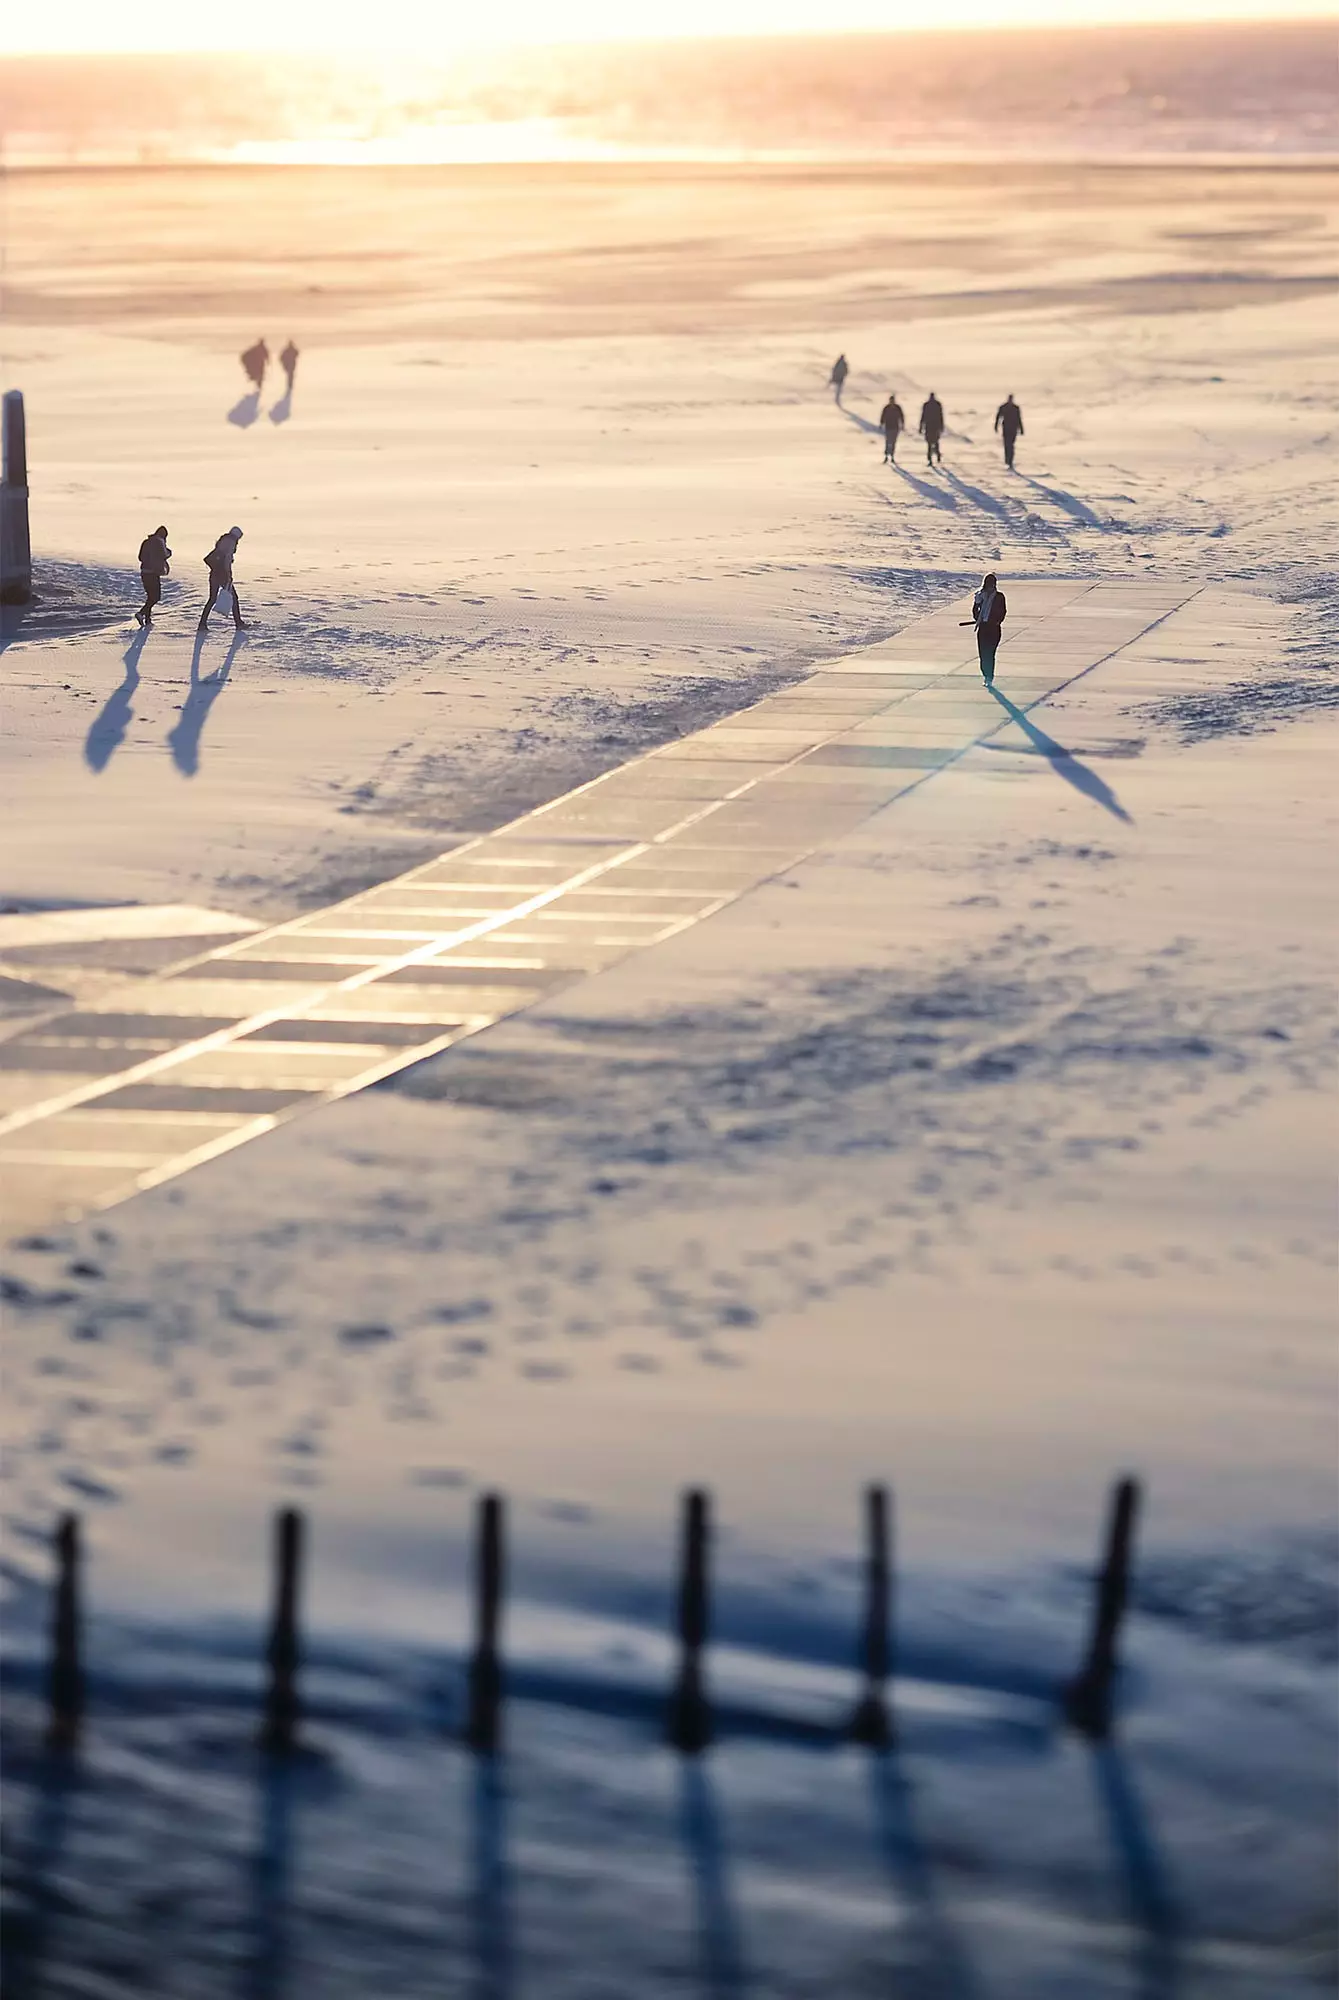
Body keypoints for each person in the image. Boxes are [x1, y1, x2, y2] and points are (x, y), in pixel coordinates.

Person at [198, 527, 246, 633]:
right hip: (223, 575)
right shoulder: (231, 542)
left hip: (214, 573)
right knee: (234, 598)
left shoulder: (222, 540)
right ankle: (239, 623)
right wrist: (229, 575)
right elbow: (227, 560)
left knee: (212, 599)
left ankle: (202, 623)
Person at [972, 571, 1007, 686]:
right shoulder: (981, 596)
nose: (990, 587)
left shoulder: (999, 597)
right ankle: (985, 674)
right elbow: (975, 613)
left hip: (994, 629)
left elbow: (1003, 611)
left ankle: (989, 677)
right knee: (983, 654)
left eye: (992, 584)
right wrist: (977, 603)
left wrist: (997, 621)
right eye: (988, 584)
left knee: (990, 654)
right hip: (983, 628)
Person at [135, 525, 171, 628]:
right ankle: (141, 613)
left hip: (144, 572)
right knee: (156, 597)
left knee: (150, 596)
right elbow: (164, 555)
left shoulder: (146, 542)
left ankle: (148, 620)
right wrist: (169, 553)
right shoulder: (159, 542)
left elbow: (140, 557)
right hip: (153, 573)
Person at [995, 393, 1024, 470]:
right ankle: (1008, 460)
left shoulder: (1015, 408)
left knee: (1011, 445)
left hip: (1013, 429)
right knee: (1007, 445)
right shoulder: (1003, 407)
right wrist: (996, 426)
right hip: (1006, 429)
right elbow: (998, 417)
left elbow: (1019, 419)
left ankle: (1010, 460)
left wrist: (1021, 429)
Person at [878, 391, 905, 464]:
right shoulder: (886, 408)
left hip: (895, 427)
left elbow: (901, 416)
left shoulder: (897, 408)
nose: (891, 402)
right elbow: (883, 416)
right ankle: (886, 455)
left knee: (893, 442)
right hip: (888, 427)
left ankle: (892, 456)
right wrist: (881, 424)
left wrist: (902, 425)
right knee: (887, 441)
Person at [919, 391, 945, 465]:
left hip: (930, 426)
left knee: (930, 442)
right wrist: (941, 426)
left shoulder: (927, 405)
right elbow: (940, 416)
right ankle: (936, 455)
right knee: (934, 442)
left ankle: (931, 458)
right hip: (934, 426)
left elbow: (923, 416)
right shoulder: (937, 404)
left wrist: (921, 426)